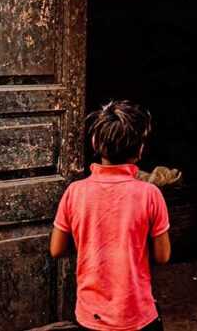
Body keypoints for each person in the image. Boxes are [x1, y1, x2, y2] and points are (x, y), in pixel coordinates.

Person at [50, 100, 171, 331]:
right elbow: (162, 256)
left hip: (90, 317)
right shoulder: (150, 194)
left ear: (95, 142)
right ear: (140, 150)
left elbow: (56, 249)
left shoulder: (75, 192)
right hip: (137, 316)